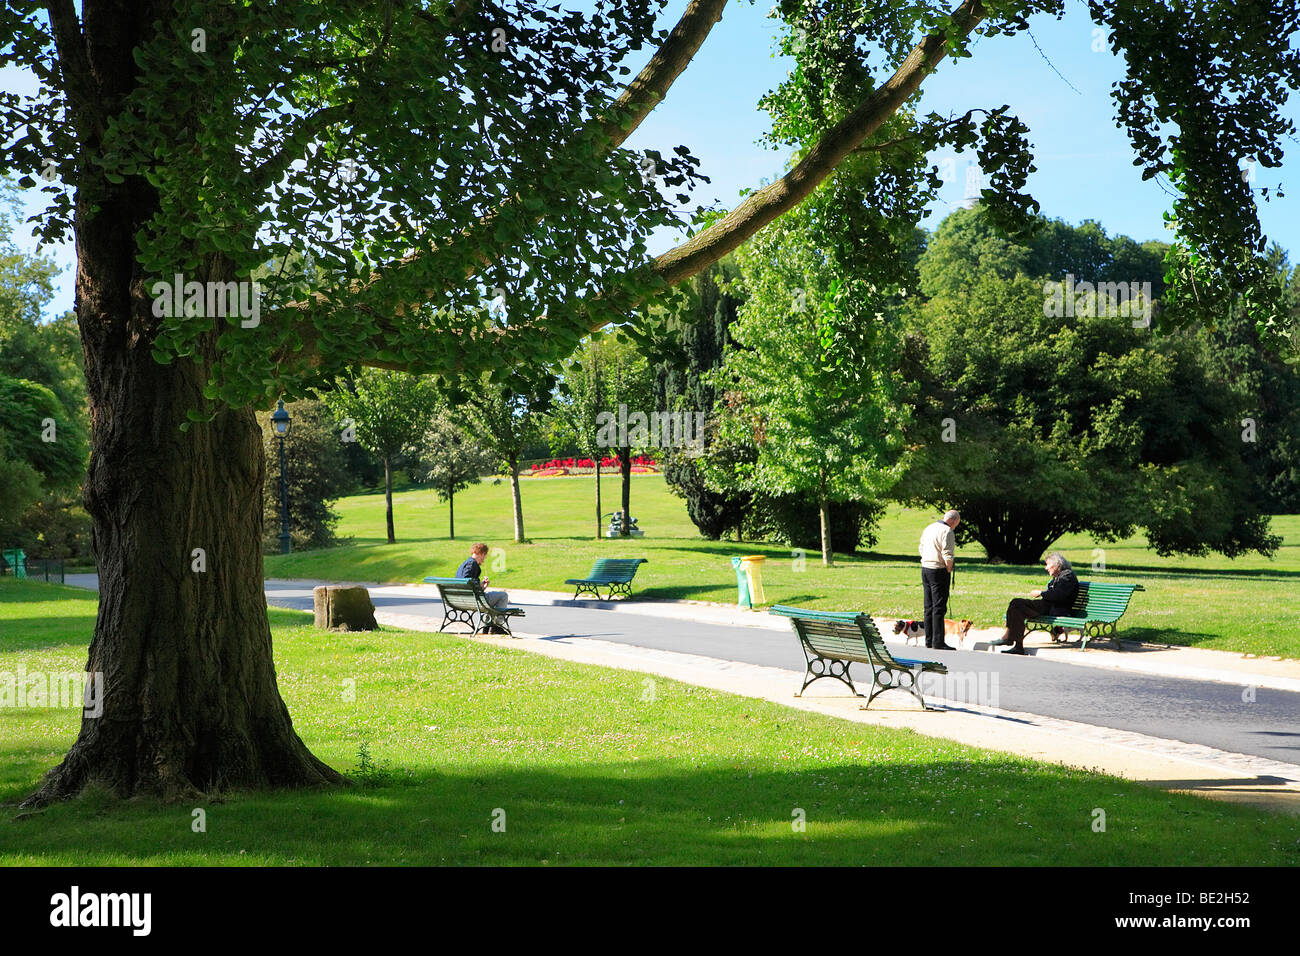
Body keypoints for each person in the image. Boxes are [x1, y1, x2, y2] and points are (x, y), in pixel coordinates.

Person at [990, 551, 1078, 655]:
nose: (1046, 568)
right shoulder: (1060, 576)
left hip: (1055, 609)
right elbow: (1054, 594)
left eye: (1048, 565)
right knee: (1016, 606)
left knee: (1017, 604)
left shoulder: (1067, 577)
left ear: (1057, 565)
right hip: (1048, 606)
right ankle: (1016, 645)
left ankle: (1009, 639)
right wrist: (1044, 594)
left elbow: (1058, 595)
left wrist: (1041, 593)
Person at [918, 510, 960, 650]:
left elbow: (921, 547)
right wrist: (949, 568)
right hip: (938, 569)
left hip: (925, 568)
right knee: (939, 606)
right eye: (956, 524)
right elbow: (947, 553)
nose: (955, 527)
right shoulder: (947, 531)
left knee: (928, 606)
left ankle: (929, 640)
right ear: (953, 521)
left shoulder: (929, 528)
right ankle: (938, 641)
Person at [456, 542, 510, 610]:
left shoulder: (464, 564)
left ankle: (492, 617)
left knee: (496, 596)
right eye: (485, 555)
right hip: (474, 600)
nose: (484, 558)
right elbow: (466, 581)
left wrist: (482, 587)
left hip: (462, 600)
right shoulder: (472, 564)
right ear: (482, 554)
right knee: (503, 595)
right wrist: (479, 584)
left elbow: (468, 583)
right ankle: (497, 617)